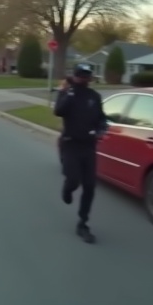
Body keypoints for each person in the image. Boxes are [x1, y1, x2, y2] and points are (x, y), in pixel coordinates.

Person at [53, 63, 107, 243]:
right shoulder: (68, 93)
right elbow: (58, 111)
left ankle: (83, 223)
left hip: (89, 146)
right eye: (80, 75)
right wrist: (67, 91)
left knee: (90, 186)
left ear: (90, 77)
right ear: (74, 76)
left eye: (86, 75)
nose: (83, 78)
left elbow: (101, 119)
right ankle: (68, 189)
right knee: (73, 180)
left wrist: (101, 130)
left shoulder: (94, 96)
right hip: (70, 144)